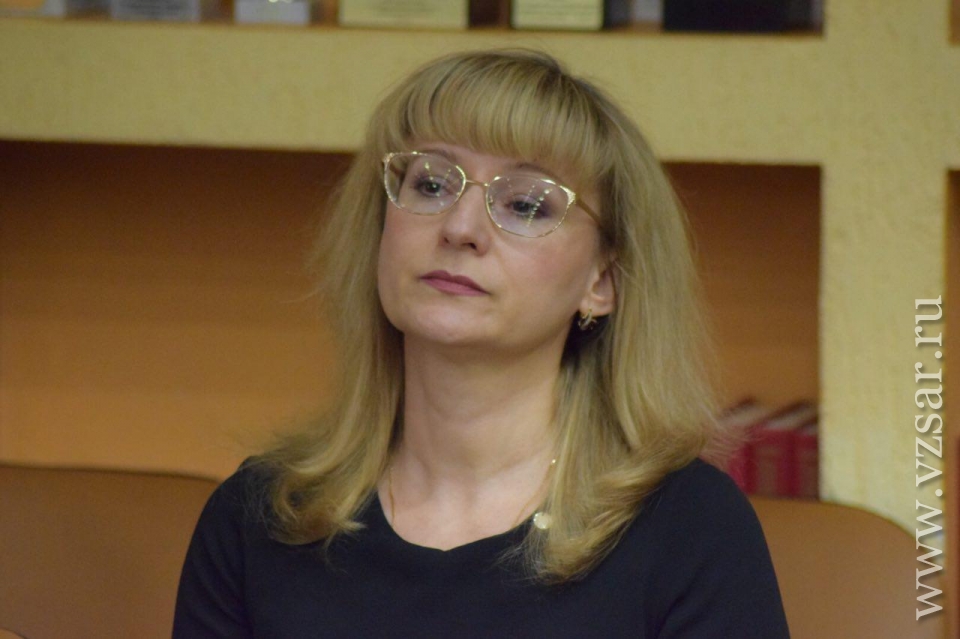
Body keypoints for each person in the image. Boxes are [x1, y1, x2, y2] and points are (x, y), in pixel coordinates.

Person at [173, 49, 790, 638]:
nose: (461, 227)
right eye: (432, 184)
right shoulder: (257, 519)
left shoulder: (690, 530)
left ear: (602, 281)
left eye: (525, 204)